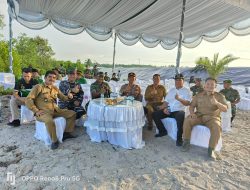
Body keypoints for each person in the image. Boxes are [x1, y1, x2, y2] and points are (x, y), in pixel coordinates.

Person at [25, 70, 77, 150]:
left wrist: (69, 96)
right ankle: (54, 141)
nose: (52, 79)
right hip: (43, 112)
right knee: (49, 121)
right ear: (45, 77)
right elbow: (28, 99)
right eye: (49, 77)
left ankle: (66, 133)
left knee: (72, 113)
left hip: (55, 110)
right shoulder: (38, 87)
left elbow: (63, 98)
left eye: (54, 78)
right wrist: (36, 110)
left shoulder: (55, 88)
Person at [181, 77, 228, 160]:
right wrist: (192, 113)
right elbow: (192, 106)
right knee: (188, 120)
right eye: (208, 84)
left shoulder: (219, 96)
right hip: (199, 116)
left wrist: (217, 103)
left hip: (212, 117)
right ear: (204, 85)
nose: (210, 86)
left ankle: (211, 150)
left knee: (217, 127)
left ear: (215, 86)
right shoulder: (198, 95)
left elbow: (225, 109)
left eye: (212, 84)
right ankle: (186, 142)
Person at [152, 74, 191, 146]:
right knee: (154, 114)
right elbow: (166, 102)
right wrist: (162, 108)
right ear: (174, 81)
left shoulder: (186, 91)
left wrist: (179, 99)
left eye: (180, 80)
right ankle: (162, 131)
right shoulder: (171, 90)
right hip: (169, 110)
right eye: (176, 80)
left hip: (178, 111)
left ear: (183, 81)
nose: (178, 81)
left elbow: (188, 103)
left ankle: (179, 138)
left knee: (181, 116)